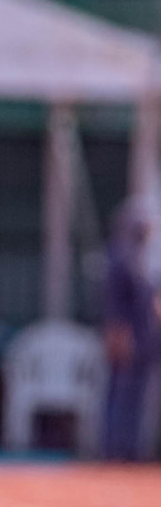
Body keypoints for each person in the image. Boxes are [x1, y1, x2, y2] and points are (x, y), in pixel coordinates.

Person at [102, 197, 161, 461]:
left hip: (145, 339)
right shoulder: (120, 257)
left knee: (136, 396)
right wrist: (119, 336)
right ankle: (116, 448)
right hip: (129, 338)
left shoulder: (138, 259)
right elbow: (117, 304)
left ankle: (132, 447)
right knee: (123, 394)